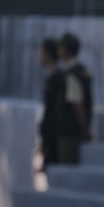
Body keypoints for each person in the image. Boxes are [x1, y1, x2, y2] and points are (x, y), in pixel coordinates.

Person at [55, 32, 92, 164]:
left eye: (60, 48)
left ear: (64, 50)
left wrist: (84, 130)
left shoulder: (71, 74)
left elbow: (75, 104)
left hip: (69, 132)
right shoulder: (82, 70)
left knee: (67, 166)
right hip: (75, 131)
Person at [37, 37, 64, 171]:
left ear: (47, 53)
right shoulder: (52, 77)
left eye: (41, 52)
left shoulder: (58, 78)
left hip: (54, 134)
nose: (39, 56)